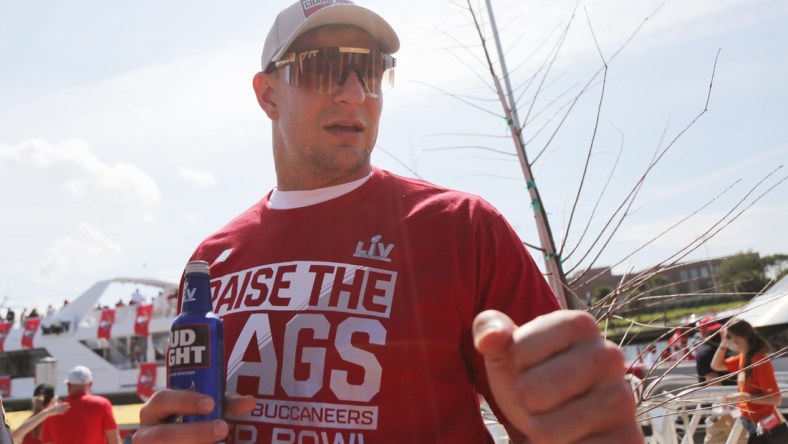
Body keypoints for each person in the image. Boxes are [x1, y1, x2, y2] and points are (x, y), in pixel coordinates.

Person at [132, 2, 640, 443]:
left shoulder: (463, 228)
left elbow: (557, 422)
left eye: (371, 70)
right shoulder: (211, 260)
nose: (355, 93)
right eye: (322, 67)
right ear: (267, 94)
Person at [711, 320, 785, 442]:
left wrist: (742, 396)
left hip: (765, 426)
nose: (727, 339)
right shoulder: (743, 358)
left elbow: (776, 399)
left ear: (741, 338)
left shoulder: (759, 360)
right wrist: (723, 343)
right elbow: (716, 365)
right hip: (749, 423)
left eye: (728, 336)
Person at [40, 366, 120, 444]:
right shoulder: (102, 405)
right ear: (90, 384)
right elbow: (114, 440)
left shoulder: (52, 412)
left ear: (68, 385)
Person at [694, 317, 741, 444]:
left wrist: (722, 412)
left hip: (724, 408)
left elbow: (715, 384)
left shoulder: (704, 352)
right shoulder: (729, 349)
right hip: (737, 403)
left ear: (703, 332)